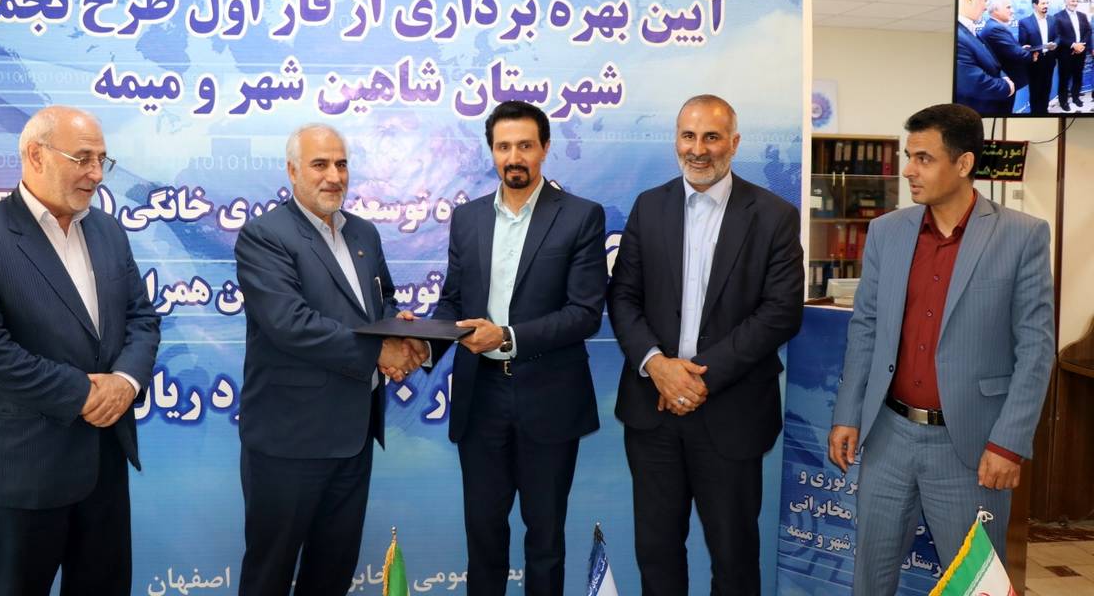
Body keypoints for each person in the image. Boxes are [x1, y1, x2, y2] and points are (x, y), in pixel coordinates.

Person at [828, 103, 1054, 594]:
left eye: (924, 158)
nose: (909, 169)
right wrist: (848, 415)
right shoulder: (887, 232)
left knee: (975, 584)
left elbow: (1036, 351)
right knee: (871, 579)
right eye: (908, 156)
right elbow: (866, 329)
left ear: (964, 163)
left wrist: (1008, 443)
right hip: (888, 437)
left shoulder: (1022, 236)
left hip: (971, 447)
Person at [0, 106, 160, 596]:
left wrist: (125, 383)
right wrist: (83, 393)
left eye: (103, 160)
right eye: (83, 158)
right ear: (35, 155)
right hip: (23, 473)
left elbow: (142, 319)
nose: (96, 174)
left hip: (103, 465)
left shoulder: (109, 231)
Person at [608, 94, 804, 596]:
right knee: (656, 554)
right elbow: (622, 297)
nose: (698, 149)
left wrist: (696, 377)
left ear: (734, 144)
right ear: (676, 140)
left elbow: (781, 313)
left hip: (732, 414)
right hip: (653, 413)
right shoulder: (648, 206)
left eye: (712, 137)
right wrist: (658, 366)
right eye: (688, 136)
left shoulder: (774, 216)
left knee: (734, 560)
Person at [234, 124, 427, 596]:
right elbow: (290, 324)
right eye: (320, 164)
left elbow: (380, 301)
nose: (334, 176)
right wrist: (379, 351)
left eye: (341, 164)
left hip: (354, 437)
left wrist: (399, 330)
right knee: (269, 575)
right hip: (289, 442)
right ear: (292, 171)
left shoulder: (363, 232)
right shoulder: (264, 236)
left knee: (332, 573)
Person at [431, 100, 606, 596]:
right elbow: (453, 301)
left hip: (549, 396)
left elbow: (584, 313)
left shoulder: (580, 216)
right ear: (491, 151)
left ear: (544, 148)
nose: (514, 157)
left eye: (525, 145)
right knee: (483, 536)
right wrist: (419, 343)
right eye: (504, 146)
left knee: (545, 540)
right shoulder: (466, 218)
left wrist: (507, 337)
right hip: (480, 397)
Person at [955, 0, 1015, 115]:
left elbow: (994, 64)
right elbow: (973, 83)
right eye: (985, 1)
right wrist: (1007, 86)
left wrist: (1004, 78)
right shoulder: (958, 37)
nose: (985, 7)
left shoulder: (969, 30)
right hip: (974, 114)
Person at [978, 0, 1032, 99]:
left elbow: (1009, 50)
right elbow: (1018, 54)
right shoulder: (995, 28)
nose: (1012, 11)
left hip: (1005, 82)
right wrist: (1030, 53)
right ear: (996, 11)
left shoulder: (994, 26)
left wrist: (1022, 49)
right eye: (1008, 7)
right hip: (1005, 82)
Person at [1016, 0, 1058, 115]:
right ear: (1035, 5)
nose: (1046, 5)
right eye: (1043, 3)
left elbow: (1058, 37)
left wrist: (1055, 44)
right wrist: (1032, 52)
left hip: (1049, 60)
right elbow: (1023, 45)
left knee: (1047, 88)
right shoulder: (1025, 22)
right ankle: (1036, 115)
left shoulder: (1052, 19)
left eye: (1047, 3)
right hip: (1035, 61)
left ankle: (1044, 111)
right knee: (1035, 90)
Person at [1052, 0, 1090, 111]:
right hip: (1065, 54)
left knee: (1078, 76)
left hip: (1081, 52)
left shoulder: (1082, 15)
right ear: (1066, 2)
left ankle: (1075, 97)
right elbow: (1058, 36)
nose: (1075, 3)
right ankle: (1063, 101)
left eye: (1076, 1)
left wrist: (1081, 45)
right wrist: (1073, 45)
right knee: (1064, 79)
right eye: (1073, 1)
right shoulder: (1057, 17)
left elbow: (1088, 31)